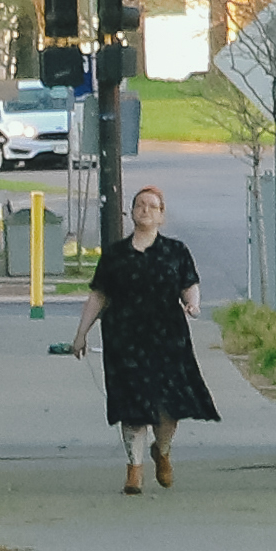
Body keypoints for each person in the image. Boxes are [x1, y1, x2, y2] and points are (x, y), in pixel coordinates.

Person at [77, 177, 219, 491]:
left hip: (168, 338)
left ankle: (162, 451)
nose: (145, 210)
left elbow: (189, 284)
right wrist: (81, 335)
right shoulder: (115, 255)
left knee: (168, 405)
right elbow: (99, 295)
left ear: (162, 215)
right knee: (133, 404)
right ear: (131, 212)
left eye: (152, 206)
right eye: (140, 205)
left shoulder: (175, 251)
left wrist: (192, 305)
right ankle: (134, 469)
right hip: (124, 338)